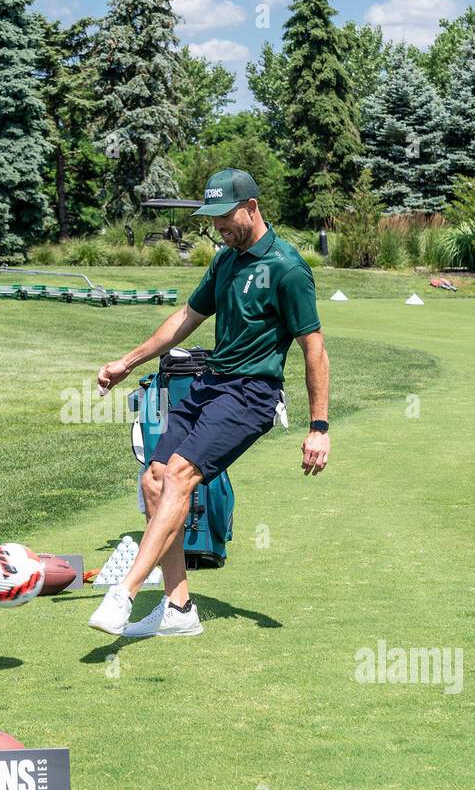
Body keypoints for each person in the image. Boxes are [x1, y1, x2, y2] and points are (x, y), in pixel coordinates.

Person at [87, 168, 330, 638]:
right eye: (211, 217)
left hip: (251, 394)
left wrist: (319, 426)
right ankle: (179, 609)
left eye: (225, 216)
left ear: (252, 208)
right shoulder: (224, 261)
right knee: (155, 480)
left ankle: (126, 592)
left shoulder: (287, 266)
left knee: (180, 473)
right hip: (210, 384)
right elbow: (186, 317)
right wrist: (128, 362)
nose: (217, 226)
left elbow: (313, 347)